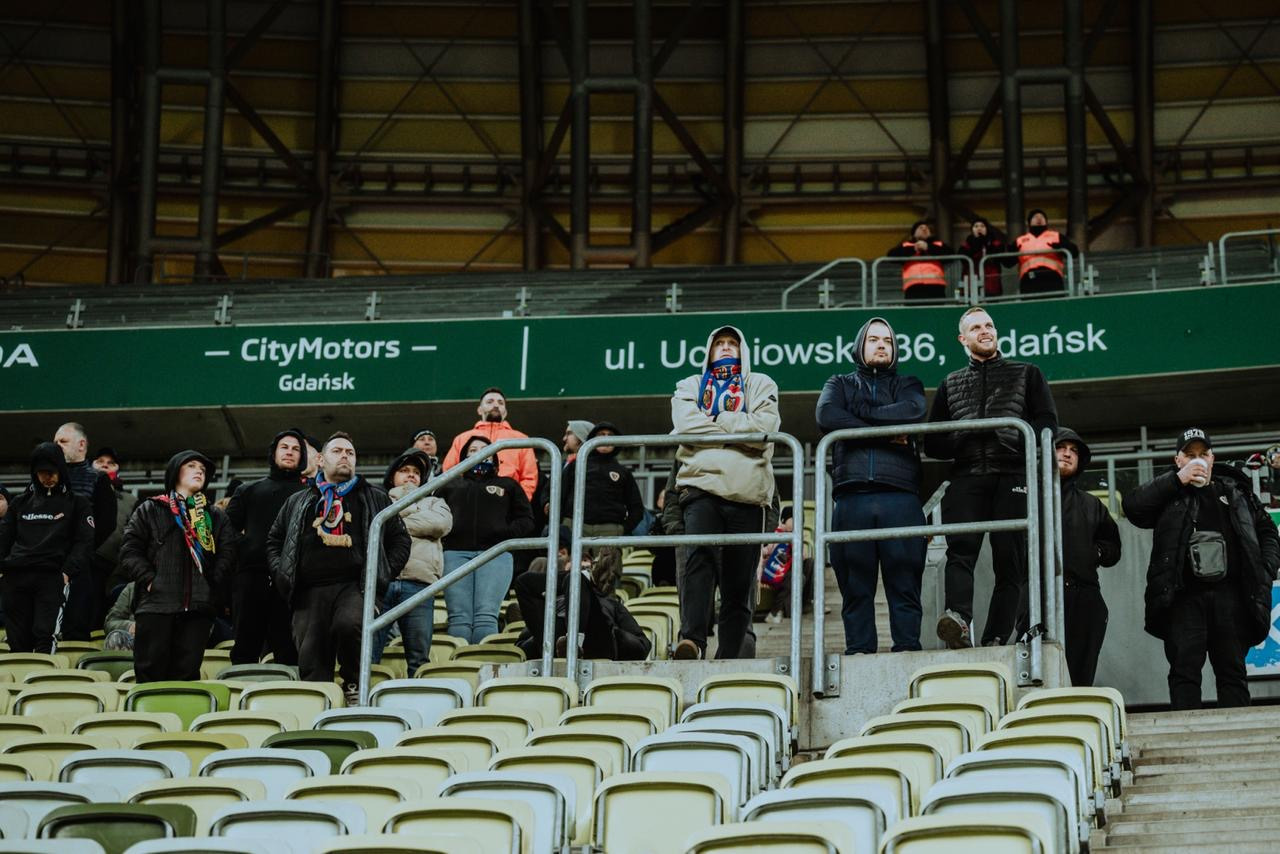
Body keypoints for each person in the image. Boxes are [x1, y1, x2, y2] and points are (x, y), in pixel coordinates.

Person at [925, 306, 1059, 648]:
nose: (985, 331)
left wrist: (1014, 436)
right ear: (963, 339)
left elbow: (1048, 424)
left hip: (1012, 473)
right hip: (967, 476)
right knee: (960, 552)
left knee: (1009, 561)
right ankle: (958, 620)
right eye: (976, 328)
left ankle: (996, 637)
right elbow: (933, 443)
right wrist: (963, 435)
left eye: (989, 325)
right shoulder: (949, 383)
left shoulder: (1027, 373)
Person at [1123, 428, 1280, 709]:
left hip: (1231, 596)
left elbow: (1267, 531)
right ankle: (1187, 733)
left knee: (1233, 672)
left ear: (1212, 458)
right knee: (1184, 671)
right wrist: (1177, 480)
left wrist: (1265, 568)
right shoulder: (1168, 492)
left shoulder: (1235, 490)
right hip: (1183, 597)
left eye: (1203, 454)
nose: (1198, 460)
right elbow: (1133, 507)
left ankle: (1238, 730)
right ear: (1178, 460)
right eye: (1189, 455)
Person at [268, 432, 410, 700]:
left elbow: (400, 540)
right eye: (337, 451)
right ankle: (318, 700)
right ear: (320, 460)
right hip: (308, 590)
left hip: (355, 586)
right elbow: (274, 540)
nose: (345, 456)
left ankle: (354, 686)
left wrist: (381, 574)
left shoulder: (375, 497)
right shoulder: (298, 500)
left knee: (350, 625)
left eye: (350, 453)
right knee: (311, 654)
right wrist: (281, 572)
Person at [816, 316, 929, 653]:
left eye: (888, 341)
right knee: (855, 589)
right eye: (874, 340)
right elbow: (827, 416)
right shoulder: (838, 382)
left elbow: (913, 411)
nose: (882, 345)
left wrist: (858, 417)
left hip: (901, 496)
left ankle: (907, 652)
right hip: (852, 497)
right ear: (859, 347)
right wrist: (884, 432)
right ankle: (859, 653)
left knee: (905, 585)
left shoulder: (909, 383)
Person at [670, 325, 780, 660]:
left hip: (747, 494)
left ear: (742, 349)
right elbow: (686, 427)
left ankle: (730, 654)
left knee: (739, 580)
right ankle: (692, 641)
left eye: (733, 343)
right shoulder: (689, 385)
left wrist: (716, 418)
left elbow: (765, 429)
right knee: (698, 563)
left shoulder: (761, 383)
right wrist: (739, 428)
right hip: (701, 487)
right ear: (710, 350)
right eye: (720, 343)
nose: (727, 347)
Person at [119, 450, 235, 682]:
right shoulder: (150, 509)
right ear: (175, 472)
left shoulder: (215, 516)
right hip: (156, 606)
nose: (199, 471)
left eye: (202, 469)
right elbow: (129, 550)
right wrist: (151, 580)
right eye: (191, 466)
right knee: (150, 676)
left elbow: (228, 555)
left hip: (198, 611)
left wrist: (211, 586)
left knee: (186, 679)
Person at [438, 434, 536, 644]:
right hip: (454, 554)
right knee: (459, 617)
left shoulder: (508, 485)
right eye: (472, 450)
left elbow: (526, 520)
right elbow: (436, 516)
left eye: (484, 450)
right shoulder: (449, 484)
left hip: (495, 554)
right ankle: (458, 661)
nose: (478, 454)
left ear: (494, 456)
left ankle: (481, 661)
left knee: (486, 615)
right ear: (464, 457)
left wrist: (503, 533)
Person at [224, 429, 310, 666]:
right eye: (285, 447)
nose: (290, 452)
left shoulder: (310, 494)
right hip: (251, 578)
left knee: (290, 651)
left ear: (302, 457)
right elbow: (227, 530)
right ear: (273, 453)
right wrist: (247, 546)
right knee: (244, 648)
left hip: (293, 581)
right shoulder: (248, 490)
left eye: (296, 449)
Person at [0, 443, 95, 653]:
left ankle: (43, 672)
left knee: (45, 635)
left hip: (51, 576)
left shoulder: (77, 503)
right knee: (17, 641)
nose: (47, 477)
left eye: (51, 472)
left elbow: (85, 541)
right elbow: (3, 539)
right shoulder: (20, 503)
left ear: (61, 469)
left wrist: (67, 572)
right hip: (15, 577)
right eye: (41, 472)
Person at [1054, 428, 1122, 686]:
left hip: (1084, 597)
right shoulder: (1027, 498)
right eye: (1061, 447)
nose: (1067, 454)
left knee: (1080, 678)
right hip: (1038, 597)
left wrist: (1095, 553)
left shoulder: (1091, 504)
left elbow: (1113, 547)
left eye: (1074, 451)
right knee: (1042, 678)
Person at [375, 449, 452, 675]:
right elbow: (373, 527)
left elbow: (439, 525)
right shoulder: (377, 499)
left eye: (416, 472)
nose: (411, 475)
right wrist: (415, 520)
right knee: (369, 653)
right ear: (392, 477)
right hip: (382, 583)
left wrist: (394, 522)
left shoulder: (435, 501)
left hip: (419, 585)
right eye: (404, 470)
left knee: (419, 657)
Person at [514, 540, 650, 660]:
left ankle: (573, 644)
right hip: (554, 644)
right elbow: (522, 645)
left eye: (586, 561)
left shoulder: (610, 603)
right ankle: (567, 646)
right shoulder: (551, 602)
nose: (582, 564)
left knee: (576, 580)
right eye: (576, 561)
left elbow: (643, 645)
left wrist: (615, 634)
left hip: (596, 643)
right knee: (522, 582)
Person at [53, 422, 117, 639]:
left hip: (81, 566)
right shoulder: (43, 478)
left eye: (63, 441)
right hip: (47, 564)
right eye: (55, 442)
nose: (57, 446)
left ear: (81, 445)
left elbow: (106, 523)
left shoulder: (98, 478)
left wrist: (80, 550)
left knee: (76, 626)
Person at [442, 388, 539, 500]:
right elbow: (449, 472)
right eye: (490, 402)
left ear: (505, 412)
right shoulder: (462, 438)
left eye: (500, 403)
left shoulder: (521, 439)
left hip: (507, 499)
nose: (496, 405)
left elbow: (529, 477)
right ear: (479, 410)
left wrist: (519, 502)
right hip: (468, 498)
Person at [560, 421, 645, 539]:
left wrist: (622, 529)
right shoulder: (575, 466)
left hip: (610, 531)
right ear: (592, 439)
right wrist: (564, 525)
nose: (605, 438)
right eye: (601, 434)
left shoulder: (623, 472)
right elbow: (557, 495)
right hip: (574, 528)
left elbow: (636, 507)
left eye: (610, 435)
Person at [90, 447, 138, 622]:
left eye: (110, 463)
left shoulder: (130, 500)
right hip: (85, 562)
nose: (105, 465)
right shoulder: (81, 492)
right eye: (100, 461)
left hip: (115, 567)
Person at [1015, 209, 1079, 295]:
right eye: (1035, 217)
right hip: (1029, 279)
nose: (1039, 219)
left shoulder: (1056, 236)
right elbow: (1008, 263)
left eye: (1042, 217)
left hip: (1052, 277)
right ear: (1029, 222)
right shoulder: (1020, 240)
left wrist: (1062, 246)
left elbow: (1074, 253)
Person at [887, 221, 953, 301]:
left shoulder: (938, 244)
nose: (924, 229)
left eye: (926, 228)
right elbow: (891, 255)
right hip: (913, 287)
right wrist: (913, 249)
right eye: (920, 228)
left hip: (936, 286)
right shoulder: (906, 245)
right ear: (914, 233)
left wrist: (928, 247)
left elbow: (951, 254)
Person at [959, 217, 1014, 298]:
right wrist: (977, 243)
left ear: (987, 229)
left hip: (992, 285)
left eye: (982, 226)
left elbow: (998, 257)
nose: (979, 228)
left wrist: (986, 243)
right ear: (972, 230)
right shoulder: (966, 245)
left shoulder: (995, 243)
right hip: (972, 285)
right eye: (976, 226)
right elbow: (963, 258)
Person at [103, 581, 137, 650]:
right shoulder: (132, 589)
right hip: (134, 643)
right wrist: (130, 626)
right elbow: (110, 622)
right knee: (116, 638)